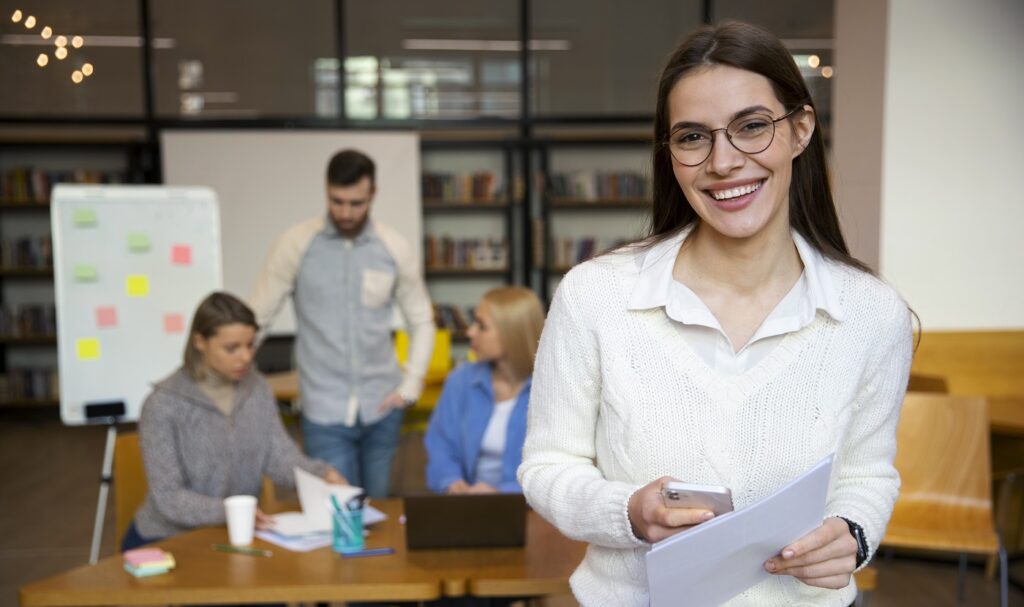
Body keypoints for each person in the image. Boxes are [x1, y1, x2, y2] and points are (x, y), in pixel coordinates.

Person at [518, 21, 913, 607]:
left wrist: (853, 535)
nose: (723, 162)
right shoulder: (595, 296)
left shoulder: (873, 315)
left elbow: (867, 475)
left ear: (800, 129)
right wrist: (628, 512)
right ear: (670, 153)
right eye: (692, 137)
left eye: (752, 127)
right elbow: (548, 466)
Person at [248, 149, 436, 499]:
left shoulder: (393, 246)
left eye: (356, 203)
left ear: (372, 195)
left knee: (379, 514)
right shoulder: (295, 244)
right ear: (326, 190)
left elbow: (422, 320)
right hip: (324, 412)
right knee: (337, 517)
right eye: (337, 201)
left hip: (383, 408)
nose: (346, 212)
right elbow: (257, 317)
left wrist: (410, 386)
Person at [123, 292, 345, 551]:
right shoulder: (162, 404)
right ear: (200, 342)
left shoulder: (257, 389)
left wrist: (322, 475)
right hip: (167, 540)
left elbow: (280, 457)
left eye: (250, 345)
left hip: (238, 534)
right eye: (232, 348)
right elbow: (169, 498)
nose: (246, 357)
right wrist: (230, 512)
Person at [424, 287, 545, 495]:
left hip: (529, 513)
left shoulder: (549, 392)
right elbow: (440, 446)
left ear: (512, 333)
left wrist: (502, 494)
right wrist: (450, 481)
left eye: (481, 326)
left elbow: (552, 472)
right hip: (467, 507)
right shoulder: (460, 380)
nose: (470, 332)